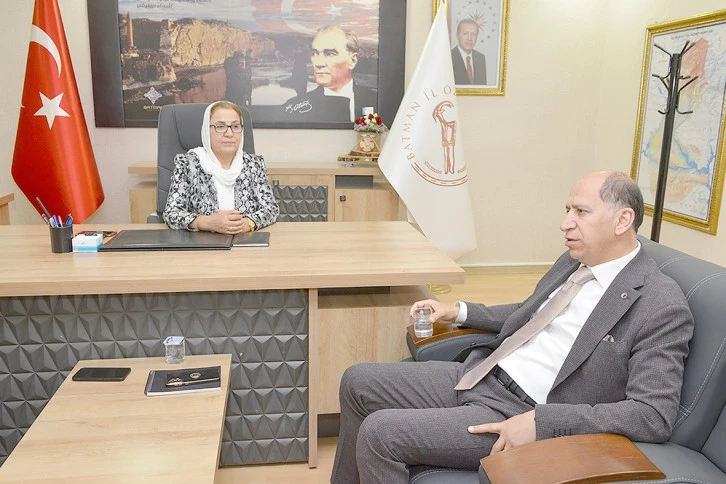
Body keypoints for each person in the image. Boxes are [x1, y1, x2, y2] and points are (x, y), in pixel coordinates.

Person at [331, 171, 694, 484]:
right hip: (483, 374)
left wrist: (542, 422)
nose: (565, 223)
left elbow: (652, 415)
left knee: (380, 433)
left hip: (516, 413)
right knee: (357, 380)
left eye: (581, 212)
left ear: (622, 220)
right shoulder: (574, 262)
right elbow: (529, 312)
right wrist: (457, 311)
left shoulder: (660, 305)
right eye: (567, 210)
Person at [163, 100, 279, 233]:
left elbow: (271, 209)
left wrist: (248, 223)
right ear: (207, 130)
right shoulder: (188, 163)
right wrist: (206, 222)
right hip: (202, 241)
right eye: (220, 126)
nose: (229, 133)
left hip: (245, 240)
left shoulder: (254, 164)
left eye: (235, 126)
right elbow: (171, 213)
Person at [282, 25, 376, 122]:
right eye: (314, 53)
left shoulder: (375, 101)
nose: (319, 63)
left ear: (352, 61)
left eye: (330, 54)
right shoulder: (293, 108)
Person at [451, 19, 487, 85]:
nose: (469, 38)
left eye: (473, 34)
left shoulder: (480, 58)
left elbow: (482, 88)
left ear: (477, 37)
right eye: (465, 33)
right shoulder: (449, 57)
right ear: (457, 35)